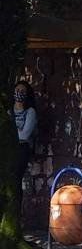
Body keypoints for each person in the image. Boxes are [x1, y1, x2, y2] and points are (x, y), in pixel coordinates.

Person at [11, 80, 37, 210]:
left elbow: (24, 135)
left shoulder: (30, 112)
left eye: (22, 92)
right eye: (17, 90)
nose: (19, 94)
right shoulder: (8, 111)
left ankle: (15, 212)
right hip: (8, 148)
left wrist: (10, 131)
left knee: (15, 181)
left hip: (21, 149)